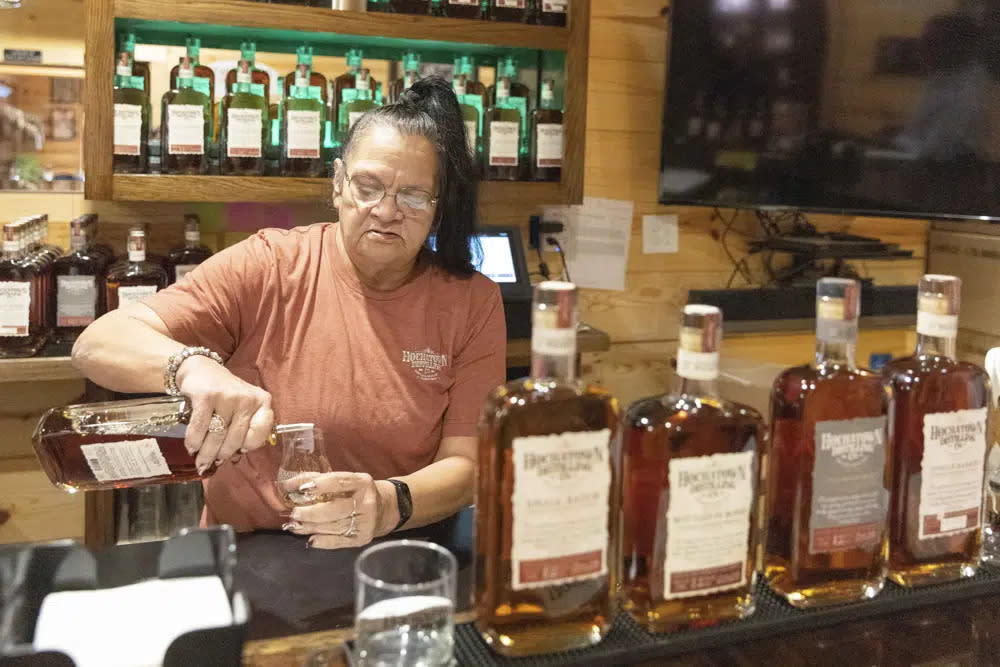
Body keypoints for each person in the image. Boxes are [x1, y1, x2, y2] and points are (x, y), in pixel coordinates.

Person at [72, 77, 506, 549]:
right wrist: (193, 368)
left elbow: (468, 465)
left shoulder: (471, 301)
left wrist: (386, 503)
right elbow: (98, 343)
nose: (386, 211)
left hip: (399, 544)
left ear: (438, 205)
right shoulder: (271, 264)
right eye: (368, 186)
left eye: (413, 195)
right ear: (338, 183)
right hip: (255, 544)